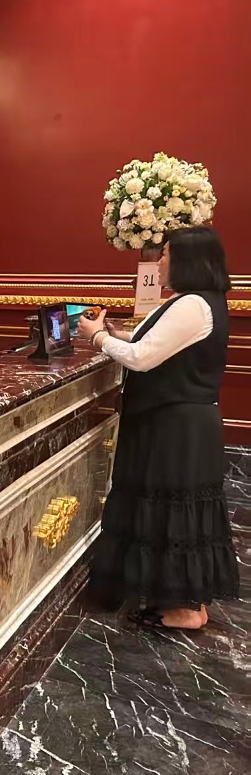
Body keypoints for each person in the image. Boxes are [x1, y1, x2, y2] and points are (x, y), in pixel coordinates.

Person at [77, 226, 239, 630]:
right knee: (173, 511)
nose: (159, 261)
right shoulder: (196, 301)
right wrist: (114, 333)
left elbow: (142, 358)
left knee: (173, 511)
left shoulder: (192, 305)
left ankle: (186, 610)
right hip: (176, 423)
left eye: (165, 254)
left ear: (187, 260)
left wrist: (98, 339)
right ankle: (184, 602)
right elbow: (151, 342)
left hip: (177, 427)